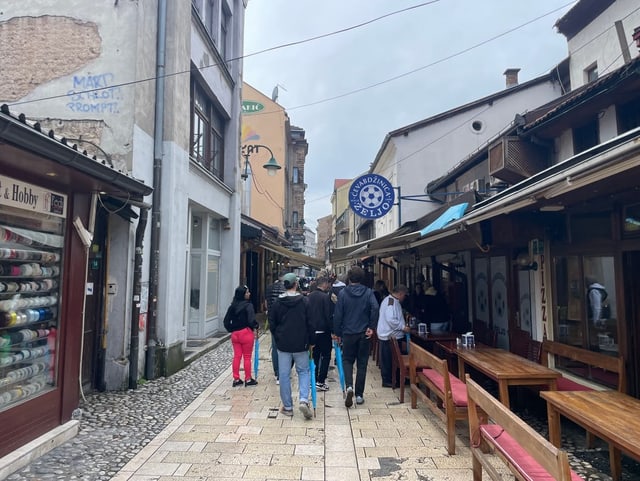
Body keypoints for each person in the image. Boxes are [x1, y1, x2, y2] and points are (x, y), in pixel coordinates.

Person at [269, 273, 315, 419]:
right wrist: (311, 341)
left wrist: (278, 337)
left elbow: (272, 323)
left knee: (284, 375)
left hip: (283, 344)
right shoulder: (305, 301)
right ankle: (303, 400)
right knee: (303, 371)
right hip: (301, 343)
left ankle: (288, 407)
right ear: (296, 284)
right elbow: (310, 323)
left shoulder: (277, 303)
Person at [333, 266, 379, 408]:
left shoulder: (343, 293)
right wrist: (371, 326)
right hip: (363, 333)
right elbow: (375, 308)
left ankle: (349, 387)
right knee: (362, 363)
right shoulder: (368, 292)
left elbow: (338, 314)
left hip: (348, 333)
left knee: (347, 360)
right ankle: (359, 395)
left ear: (349, 278)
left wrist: (337, 332)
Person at [224, 285, 259, 387]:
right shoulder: (248, 306)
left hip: (235, 334)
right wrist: (255, 326)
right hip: (246, 333)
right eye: (247, 292)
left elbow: (226, 321)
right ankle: (248, 379)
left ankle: (236, 379)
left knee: (237, 356)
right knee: (247, 357)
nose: (249, 294)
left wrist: (232, 329)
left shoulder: (232, 306)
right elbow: (251, 320)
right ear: (243, 295)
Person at [376, 284, 409, 388]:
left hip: (392, 336)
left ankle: (398, 378)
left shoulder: (393, 301)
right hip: (389, 336)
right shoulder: (391, 302)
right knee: (388, 360)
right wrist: (402, 327)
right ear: (400, 293)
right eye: (404, 295)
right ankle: (388, 380)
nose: (405, 297)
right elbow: (391, 319)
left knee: (394, 360)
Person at [307, 276, 335, 391]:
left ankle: (313, 379)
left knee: (315, 356)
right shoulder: (325, 297)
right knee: (326, 355)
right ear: (324, 284)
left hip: (312, 331)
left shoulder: (309, 297)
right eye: (327, 284)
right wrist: (333, 330)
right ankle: (321, 380)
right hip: (323, 331)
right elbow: (328, 315)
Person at [264, 276, 285, 384]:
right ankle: (283, 371)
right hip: (284, 320)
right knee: (284, 347)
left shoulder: (269, 288)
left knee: (275, 346)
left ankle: (277, 372)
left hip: (272, 319)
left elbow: (266, 303)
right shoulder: (285, 288)